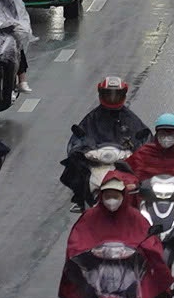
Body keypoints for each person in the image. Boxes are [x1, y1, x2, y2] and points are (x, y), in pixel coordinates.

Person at [58, 172, 171, 298]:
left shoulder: (135, 217)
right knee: (86, 290)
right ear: (101, 196)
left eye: (115, 196)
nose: (111, 200)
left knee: (139, 290)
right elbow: (77, 239)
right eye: (108, 196)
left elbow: (148, 239)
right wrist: (82, 253)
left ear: (123, 196)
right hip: (97, 267)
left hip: (127, 267)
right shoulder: (90, 216)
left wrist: (144, 250)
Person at [60, 76, 152, 209]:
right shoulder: (92, 118)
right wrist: (83, 150)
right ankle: (81, 199)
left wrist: (138, 150)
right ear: (101, 94)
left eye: (116, 95)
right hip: (97, 163)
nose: (112, 98)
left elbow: (144, 137)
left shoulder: (130, 119)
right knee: (78, 171)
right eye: (109, 94)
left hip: (123, 165)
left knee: (143, 181)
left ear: (123, 95)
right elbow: (79, 139)